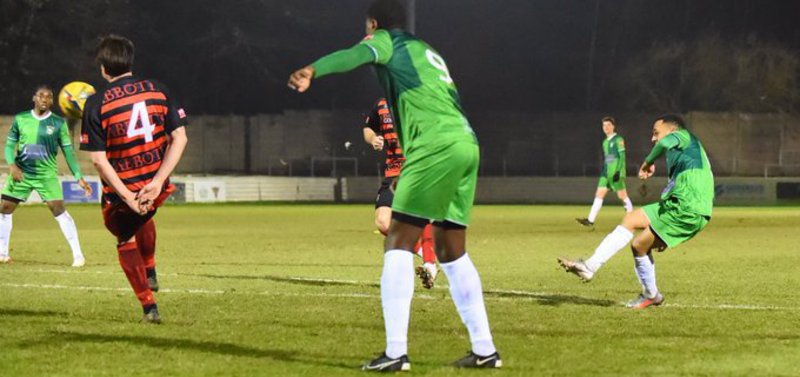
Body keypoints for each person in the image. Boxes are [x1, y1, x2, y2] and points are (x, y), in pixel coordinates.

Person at [289, 0, 500, 370]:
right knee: (452, 249)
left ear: (373, 24)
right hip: (466, 142)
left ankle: (395, 353)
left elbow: (354, 55)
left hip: (433, 144)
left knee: (398, 239)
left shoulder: (388, 42)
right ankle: (485, 350)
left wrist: (313, 70)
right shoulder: (428, 51)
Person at [80, 35, 188, 324]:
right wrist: (157, 181)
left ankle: (148, 307)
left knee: (124, 235)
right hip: (156, 185)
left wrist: (127, 196)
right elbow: (180, 137)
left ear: (103, 68)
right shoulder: (159, 90)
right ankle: (150, 268)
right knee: (145, 215)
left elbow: (98, 160)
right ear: (130, 60)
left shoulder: (96, 103)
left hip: (123, 192)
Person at [559, 114, 714, 309]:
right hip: (676, 205)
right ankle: (590, 266)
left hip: (689, 209)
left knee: (639, 245)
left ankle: (651, 295)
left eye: (656, 133)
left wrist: (647, 162)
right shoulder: (682, 153)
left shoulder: (683, 136)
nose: (653, 138)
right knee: (631, 219)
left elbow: (664, 143)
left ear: (672, 130)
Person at [0, 85, 91, 266]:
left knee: (58, 210)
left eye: (48, 97)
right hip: (22, 173)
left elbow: (68, 152)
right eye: (41, 96)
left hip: (46, 175)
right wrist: (12, 166)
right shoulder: (21, 119)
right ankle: (2, 253)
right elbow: (10, 146)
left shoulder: (58, 123)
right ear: (34, 98)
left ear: (52, 101)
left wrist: (78, 176)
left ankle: (78, 255)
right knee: (5, 209)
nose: (44, 99)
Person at [362, 97, 438, 288]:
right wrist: (374, 139)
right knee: (383, 222)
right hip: (393, 172)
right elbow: (368, 128)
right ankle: (423, 251)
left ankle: (430, 265)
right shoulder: (381, 105)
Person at [577, 116, 633, 227]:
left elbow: (622, 157)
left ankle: (632, 219)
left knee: (622, 196)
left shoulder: (618, 139)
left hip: (616, 173)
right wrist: (605, 171)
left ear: (613, 126)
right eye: (604, 125)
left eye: (608, 125)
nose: (606, 127)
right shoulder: (605, 142)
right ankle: (590, 220)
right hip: (606, 173)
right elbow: (609, 158)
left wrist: (619, 171)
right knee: (599, 194)